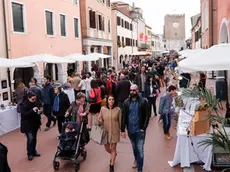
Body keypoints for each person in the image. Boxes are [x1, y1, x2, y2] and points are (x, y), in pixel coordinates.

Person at [121, 84, 150, 172]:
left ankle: (140, 169)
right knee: (134, 148)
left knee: (140, 149)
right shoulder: (126, 102)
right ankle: (136, 159)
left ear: (137, 91)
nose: (132, 92)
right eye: (130, 90)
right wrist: (122, 129)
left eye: (134, 90)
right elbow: (124, 116)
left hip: (140, 131)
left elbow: (147, 115)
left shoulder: (143, 101)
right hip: (130, 130)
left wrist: (143, 128)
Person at [98, 95, 121, 172]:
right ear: (107, 101)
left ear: (114, 101)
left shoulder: (118, 110)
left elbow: (120, 121)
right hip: (105, 132)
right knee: (107, 148)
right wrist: (100, 120)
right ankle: (113, 154)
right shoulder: (103, 109)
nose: (111, 101)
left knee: (114, 148)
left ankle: (112, 165)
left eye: (112, 99)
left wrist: (122, 131)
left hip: (115, 131)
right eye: (110, 99)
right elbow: (100, 118)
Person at [20, 91, 41, 161]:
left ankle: (34, 151)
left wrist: (39, 112)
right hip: (27, 125)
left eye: (35, 99)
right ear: (28, 98)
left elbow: (37, 111)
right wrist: (32, 110)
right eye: (33, 99)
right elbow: (24, 115)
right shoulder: (23, 105)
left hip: (35, 124)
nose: (34, 100)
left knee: (34, 138)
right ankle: (30, 153)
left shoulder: (35, 103)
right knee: (30, 138)